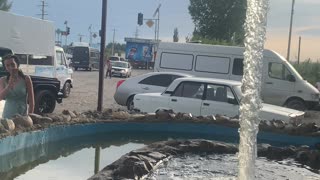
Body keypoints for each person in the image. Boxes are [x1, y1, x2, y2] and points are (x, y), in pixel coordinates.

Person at [0, 54, 34, 119]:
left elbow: (31, 100)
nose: (10, 67)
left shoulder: (26, 79)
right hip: (7, 114)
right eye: (7, 65)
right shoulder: (2, 80)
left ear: (17, 64)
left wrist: (29, 116)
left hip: (22, 115)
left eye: (12, 64)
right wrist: (9, 86)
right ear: (5, 68)